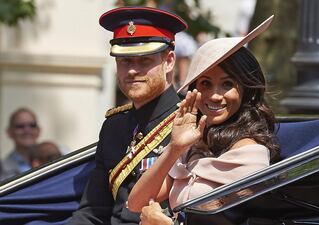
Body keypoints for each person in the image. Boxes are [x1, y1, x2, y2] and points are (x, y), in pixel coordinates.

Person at [127, 16, 279, 225]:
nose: (215, 95)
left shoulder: (251, 156)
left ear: (246, 90)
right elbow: (136, 203)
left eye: (227, 84)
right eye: (206, 84)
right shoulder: (193, 145)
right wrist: (174, 147)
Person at [66, 7, 187, 225]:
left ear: (169, 61)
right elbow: (93, 211)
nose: (132, 70)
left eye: (144, 61)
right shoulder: (114, 126)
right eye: (125, 61)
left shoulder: (189, 121)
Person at [0, 107, 41, 181]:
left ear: (39, 130)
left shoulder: (56, 158)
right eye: (20, 126)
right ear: (9, 132)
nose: (27, 130)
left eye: (32, 125)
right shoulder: (1, 168)